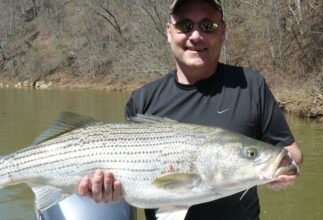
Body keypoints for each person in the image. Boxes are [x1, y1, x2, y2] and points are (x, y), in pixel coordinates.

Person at [78, 0, 303, 219]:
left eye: (208, 26)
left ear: (223, 30)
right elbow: (128, 179)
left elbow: (289, 151)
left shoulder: (250, 84)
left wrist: (285, 167)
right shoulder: (143, 99)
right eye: (185, 25)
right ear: (168, 32)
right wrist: (107, 192)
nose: (196, 36)